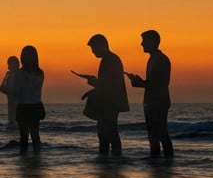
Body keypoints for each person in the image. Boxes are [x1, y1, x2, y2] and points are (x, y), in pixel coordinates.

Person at [74, 34, 130, 155]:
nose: (93, 51)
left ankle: (109, 159)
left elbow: (108, 85)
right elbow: (106, 83)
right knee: (108, 132)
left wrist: (92, 82)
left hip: (110, 104)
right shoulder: (111, 59)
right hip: (110, 103)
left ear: (101, 46)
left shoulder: (109, 60)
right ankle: (111, 161)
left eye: (93, 48)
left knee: (107, 133)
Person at [128, 29, 174, 158]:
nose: (141, 44)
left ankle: (162, 162)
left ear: (152, 42)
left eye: (144, 41)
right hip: (155, 102)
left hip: (156, 103)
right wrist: (138, 81)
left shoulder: (159, 60)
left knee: (159, 134)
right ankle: (160, 164)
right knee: (156, 134)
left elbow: (156, 84)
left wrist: (137, 82)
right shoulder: (155, 59)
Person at [13, 46, 45, 153]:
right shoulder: (40, 72)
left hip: (24, 106)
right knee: (35, 135)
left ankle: (24, 159)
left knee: (24, 136)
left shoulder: (19, 73)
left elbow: (17, 91)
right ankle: (37, 158)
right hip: (36, 105)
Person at [0, 56, 20, 126]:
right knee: (12, 119)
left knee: (15, 119)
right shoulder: (9, 74)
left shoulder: (19, 74)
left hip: (17, 100)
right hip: (11, 100)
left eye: (9, 64)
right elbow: (1, 88)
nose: (8, 67)